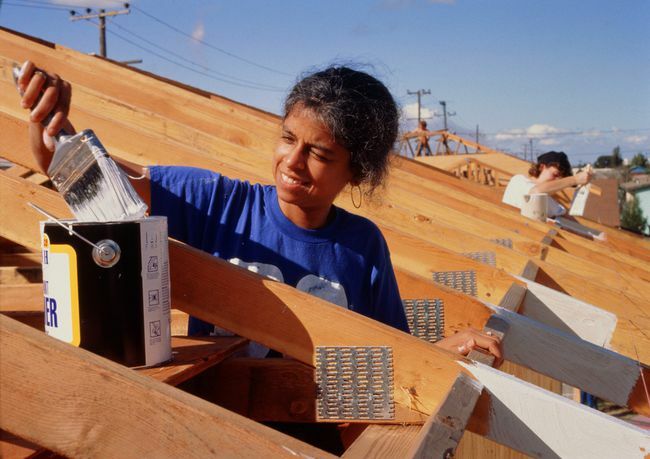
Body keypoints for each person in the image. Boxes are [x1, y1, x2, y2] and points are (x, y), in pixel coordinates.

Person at [18, 60, 502, 363]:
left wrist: (445, 351)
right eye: (288, 138)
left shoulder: (362, 245)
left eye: (320, 154)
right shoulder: (214, 202)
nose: (292, 162)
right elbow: (95, 186)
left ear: (356, 172)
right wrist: (48, 139)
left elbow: (395, 353)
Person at [502, 151, 592, 218]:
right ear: (542, 167)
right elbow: (536, 192)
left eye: (561, 179)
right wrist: (574, 180)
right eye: (555, 175)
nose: (557, 181)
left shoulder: (550, 200)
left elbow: (568, 221)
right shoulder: (519, 180)